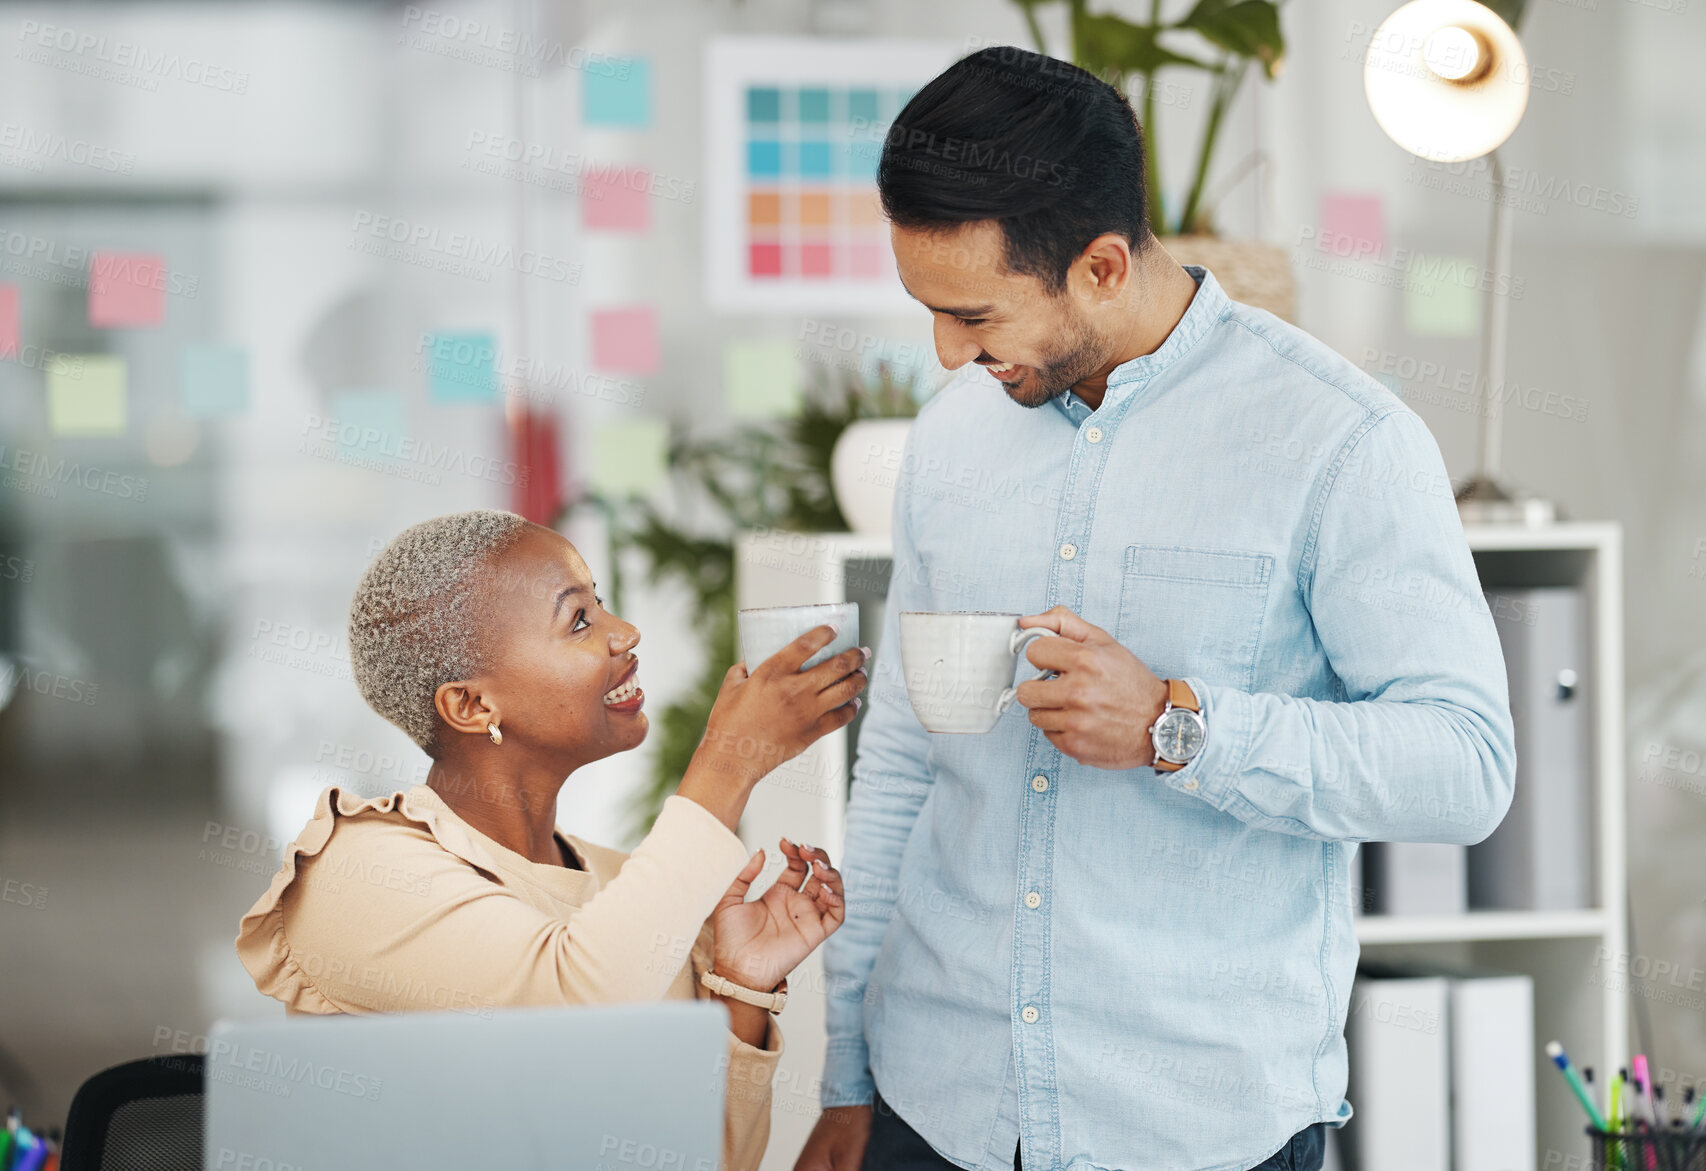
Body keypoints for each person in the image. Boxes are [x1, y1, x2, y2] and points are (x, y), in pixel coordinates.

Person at [795, 47, 1516, 1171]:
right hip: (934, 1107)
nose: (945, 352)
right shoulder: (950, 439)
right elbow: (899, 767)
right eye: (928, 310)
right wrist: (844, 1073)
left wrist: (1178, 728)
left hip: (1195, 1130)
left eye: (973, 313)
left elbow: (1464, 764)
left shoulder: (1336, 442)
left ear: (1097, 265)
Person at [235, 509, 869, 1171]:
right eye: (579, 620)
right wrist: (728, 762)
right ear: (473, 706)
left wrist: (738, 988)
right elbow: (573, 1010)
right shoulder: (359, 872)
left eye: (602, 604)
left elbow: (702, 1159)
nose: (625, 632)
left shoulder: (622, 889)